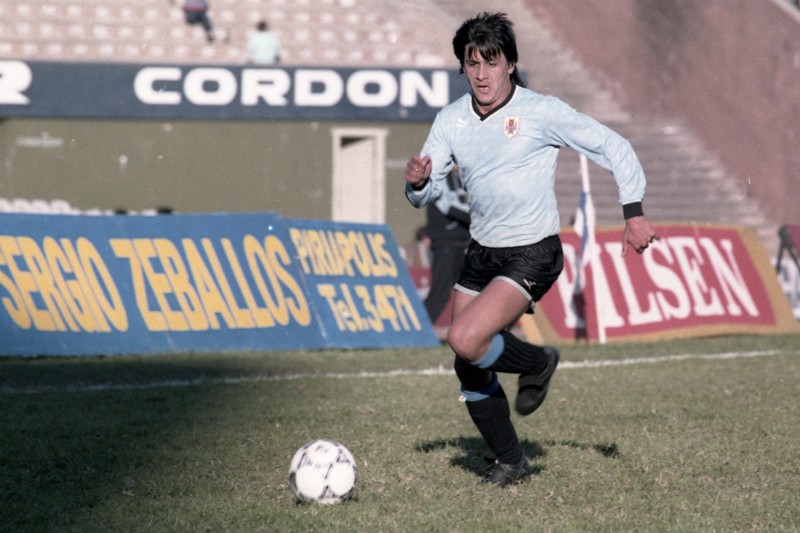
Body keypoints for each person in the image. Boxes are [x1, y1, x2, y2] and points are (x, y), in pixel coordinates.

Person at [403, 12, 658, 487]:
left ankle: (538, 361)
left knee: (464, 338)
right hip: (482, 252)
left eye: (491, 62)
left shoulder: (542, 111)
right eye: (472, 63)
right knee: (468, 362)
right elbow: (427, 189)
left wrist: (634, 212)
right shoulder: (451, 120)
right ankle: (511, 461)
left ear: (511, 65)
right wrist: (417, 185)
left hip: (533, 251)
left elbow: (613, 146)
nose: (481, 74)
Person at [423, 167, 470, 327]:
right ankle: (421, 331)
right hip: (446, 243)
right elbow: (449, 206)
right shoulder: (440, 178)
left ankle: (469, 333)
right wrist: (479, 215)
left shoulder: (458, 178)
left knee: (468, 291)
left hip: (461, 244)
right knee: (440, 292)